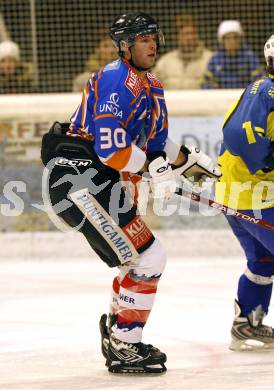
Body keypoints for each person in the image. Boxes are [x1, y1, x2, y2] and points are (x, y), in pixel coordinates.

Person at [41, 13, 220, 373]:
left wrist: (185, 162)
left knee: (138, 260)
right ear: (125, 46)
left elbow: (153, 144)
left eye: (153, 37)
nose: (151, 44)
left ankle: (120, 338)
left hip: (94, 178)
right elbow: (110, 148)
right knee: (150, 257)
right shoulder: (115, 80)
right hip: (78, 175)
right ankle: (125, 342)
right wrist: (154, 170)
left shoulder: (151, 85)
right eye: (142, 39)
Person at [215, 35, 274, 351]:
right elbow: (239, 135)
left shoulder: (260, 88)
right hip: (254, 198)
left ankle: (246, 325)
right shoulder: (268, 92)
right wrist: (266, 161)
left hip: (237, 197)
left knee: (264, 260)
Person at [153, 13, 212, 89]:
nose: (189, 38)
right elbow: (151, 88)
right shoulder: (165, 62)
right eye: (185, 34)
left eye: (192, 33)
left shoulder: (210, 59)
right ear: (178, 36)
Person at [202, 20, 263, 89]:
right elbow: (205, 82)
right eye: (228, 38)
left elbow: (261, 80)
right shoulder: (215, 58)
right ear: (222, 40)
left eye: (235, 37)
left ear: (240, 39)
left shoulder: (250, 57)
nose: (232, 41)